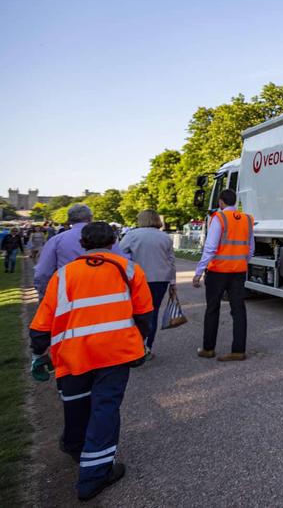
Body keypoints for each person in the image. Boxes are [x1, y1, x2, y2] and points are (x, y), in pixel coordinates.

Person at [28, 222, 153, 501]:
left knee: (76, 403)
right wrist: (139, 343)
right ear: (112, 242)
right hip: (115, 351)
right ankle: (95, 474)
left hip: (73, 353)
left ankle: (74, 445)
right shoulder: (129, 270)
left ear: (82, 244)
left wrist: (39, 352)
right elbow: (144, 314)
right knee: (105, 407)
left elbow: (41, 323)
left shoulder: (63, 275)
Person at [192, 189, 254, 361]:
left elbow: (210, 248)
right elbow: (251, 250)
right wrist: (241, 262)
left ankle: (208, 349)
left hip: (218, 272)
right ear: (235, 202)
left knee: (212, 309)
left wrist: (198, 273)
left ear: (220, 202)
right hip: (238, 272)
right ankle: (238, 351)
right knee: (239, 310)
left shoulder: (218, 218)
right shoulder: (247, 219)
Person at [119, 209, 176, 360]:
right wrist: (173, 282)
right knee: (153, 312)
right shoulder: (165, 237)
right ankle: (147, 346)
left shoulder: (132, 235)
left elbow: (119, 253)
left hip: (138, 278)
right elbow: (171, 261)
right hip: (160, 278)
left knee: (135, 312)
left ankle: (134, 345)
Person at [34, 204, 126, 296]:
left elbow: (43, 272)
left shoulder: (56, 240)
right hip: (106, 290)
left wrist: (45, 293)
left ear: (69, 220)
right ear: (90, 218)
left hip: (70, 292)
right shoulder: (106, 238)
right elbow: (122, 263)